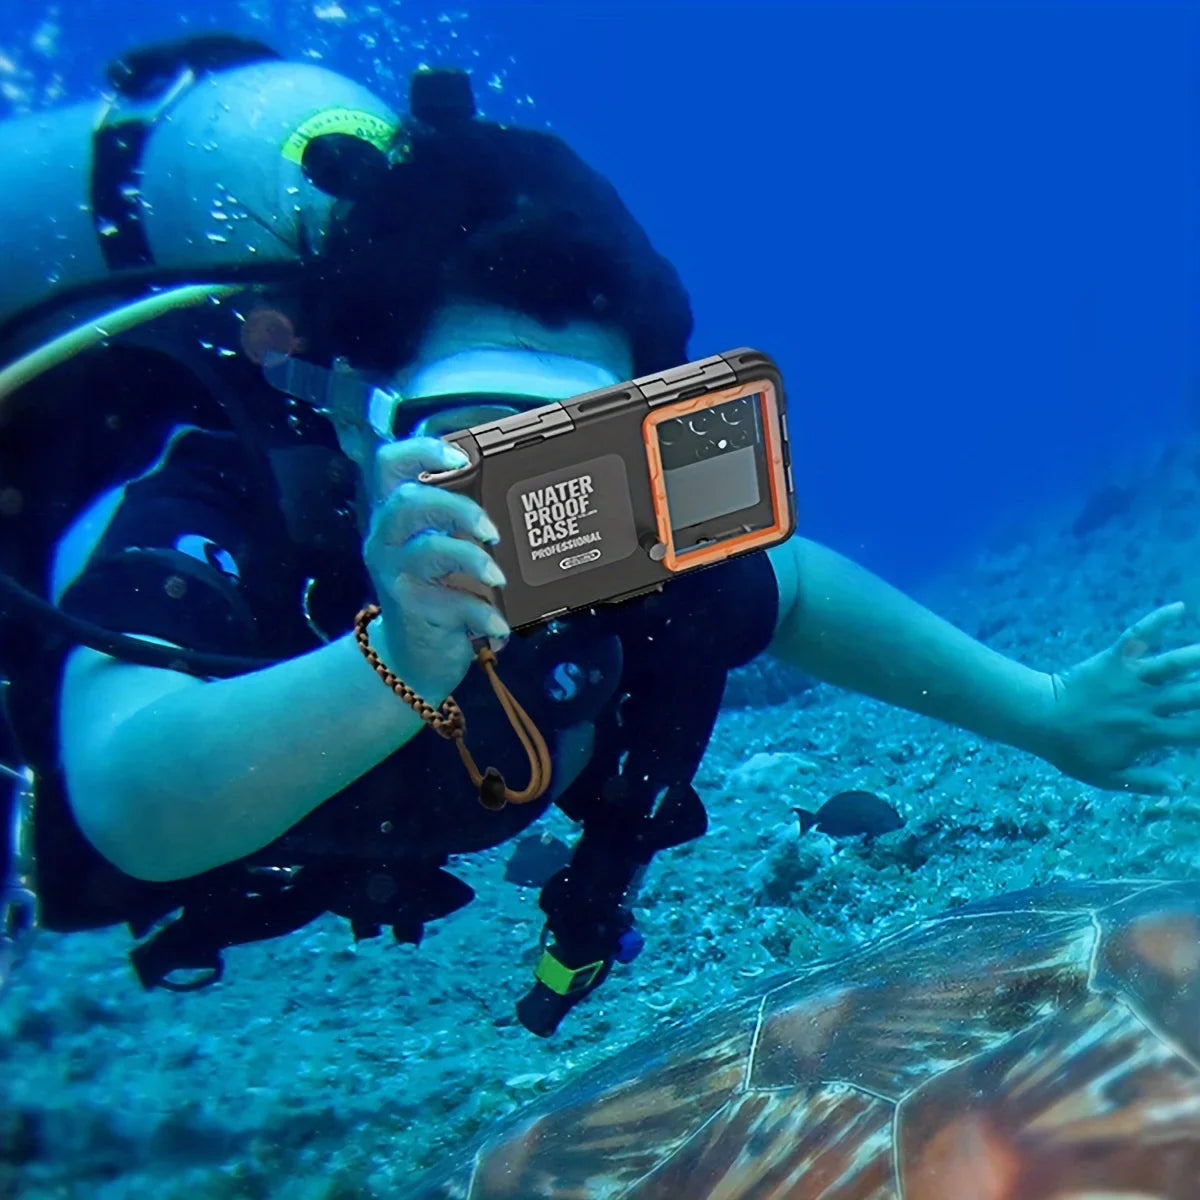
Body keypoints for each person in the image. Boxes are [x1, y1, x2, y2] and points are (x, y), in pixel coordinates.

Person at [2, 36, 1199, 1034]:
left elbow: (790, 589)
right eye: (472, 440)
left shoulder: (611, 547)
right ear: (350, 415)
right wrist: (398, 665)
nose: (533, 511)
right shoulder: (204, 500)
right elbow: (133, 801)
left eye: (576, 451)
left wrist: (1048, 714)